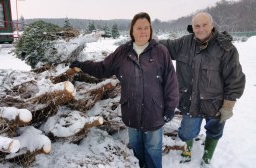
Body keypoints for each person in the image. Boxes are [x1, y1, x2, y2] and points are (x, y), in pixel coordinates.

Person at [70, 12, 179, 168]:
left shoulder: (160, 51)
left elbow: (171, 81)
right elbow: (102, 68)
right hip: (132, 113)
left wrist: (170, 107)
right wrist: (82, 65)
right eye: (139, 28)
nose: (143, 31)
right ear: (132, 31)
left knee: (153, 151)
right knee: (136, 152)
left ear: (151, 29)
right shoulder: (123, 52)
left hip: (155, 113)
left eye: (146, 27)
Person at [160, 12, 246, 166]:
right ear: (192, 28)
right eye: (196, 26)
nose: (200, 29)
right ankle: (187, 150)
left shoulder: (226, 48)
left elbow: (235, 78)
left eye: (204, 25)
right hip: (189, 101)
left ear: (212, 25)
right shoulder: (183, 43)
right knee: (187, 132)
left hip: (216, 104)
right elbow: (163, 46)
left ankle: (207, 157)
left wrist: (228, 105)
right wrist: (142, 41)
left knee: (214, 131)